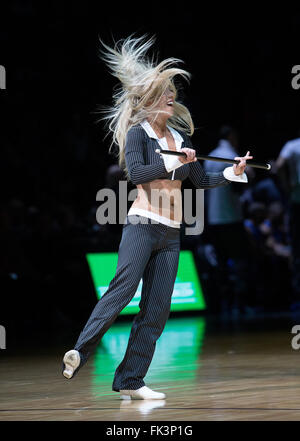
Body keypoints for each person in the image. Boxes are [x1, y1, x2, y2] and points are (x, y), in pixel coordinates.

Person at [61, 35, 252, 400]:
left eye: (172, 91)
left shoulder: (179, 138)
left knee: (157, 309)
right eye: (164, 91)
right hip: (143, 226)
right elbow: (138, 173)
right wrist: (172, 161)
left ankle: (131, 379)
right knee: (122, 290)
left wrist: (232, 173)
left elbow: (199, 179)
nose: (171, 96)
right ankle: (79, 351)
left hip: (171, 233)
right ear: (149, 101)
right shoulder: (138, 135)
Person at [203, 126, 252, 316]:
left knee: (220, 263)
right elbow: (237, 188)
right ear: (232, 137)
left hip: (215, 219)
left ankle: (223, 305)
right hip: (231, 217)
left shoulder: (211, 157)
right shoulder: (232, 156)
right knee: (240, 261)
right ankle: (240, 304)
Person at [274, 130, 300, 307]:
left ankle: (297, 295)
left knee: (297, 249)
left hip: (296, 201)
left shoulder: (292, 146)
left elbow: (279, 165)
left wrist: (286, 186)